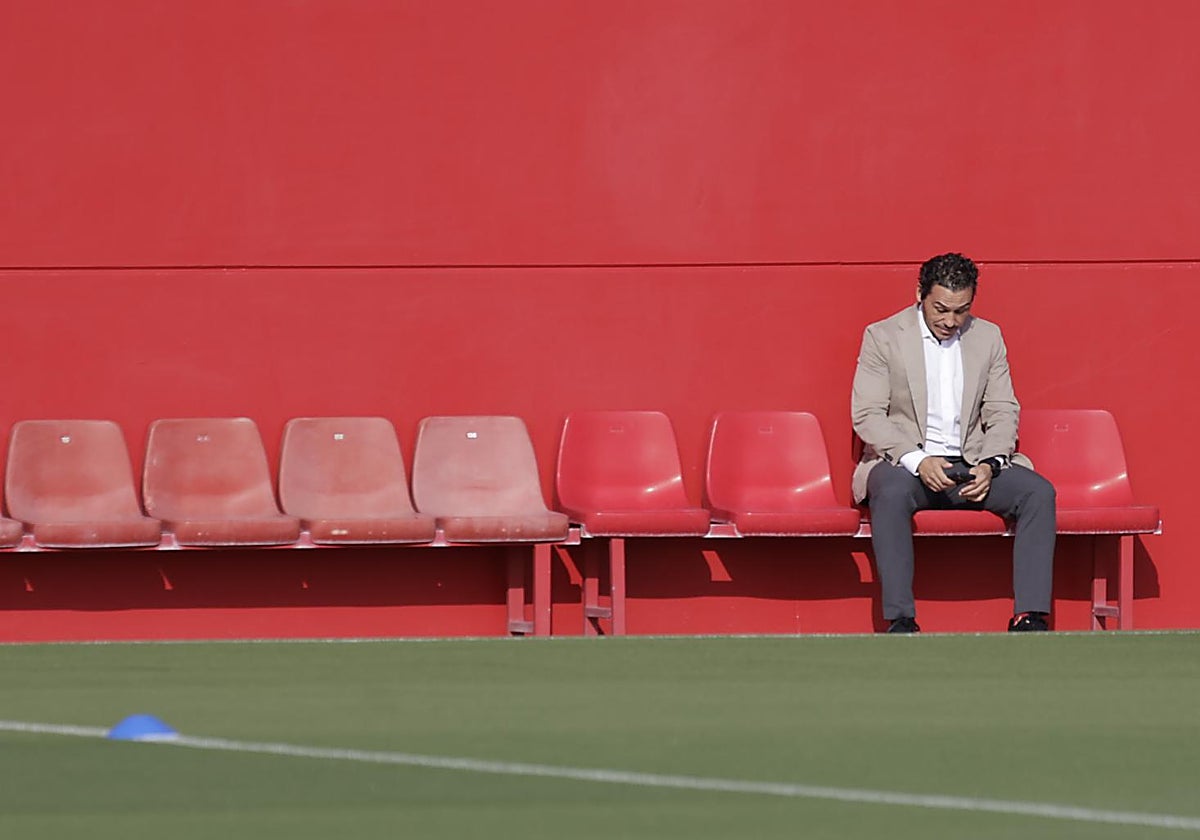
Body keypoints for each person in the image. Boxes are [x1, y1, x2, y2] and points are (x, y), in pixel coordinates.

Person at [850, 252, 1055, 633]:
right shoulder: (882, 336)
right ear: (920, 295)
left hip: (971, 464)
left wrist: (991, 464)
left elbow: (1002, 408)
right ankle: (901, 619)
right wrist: (917, 460)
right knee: (890, 493)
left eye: (961, 311)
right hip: (905, 465)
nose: (950, 321)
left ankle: (1030, 616)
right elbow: (868, 415)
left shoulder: (988, 337)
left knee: (1038, 493)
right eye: (941, 309)